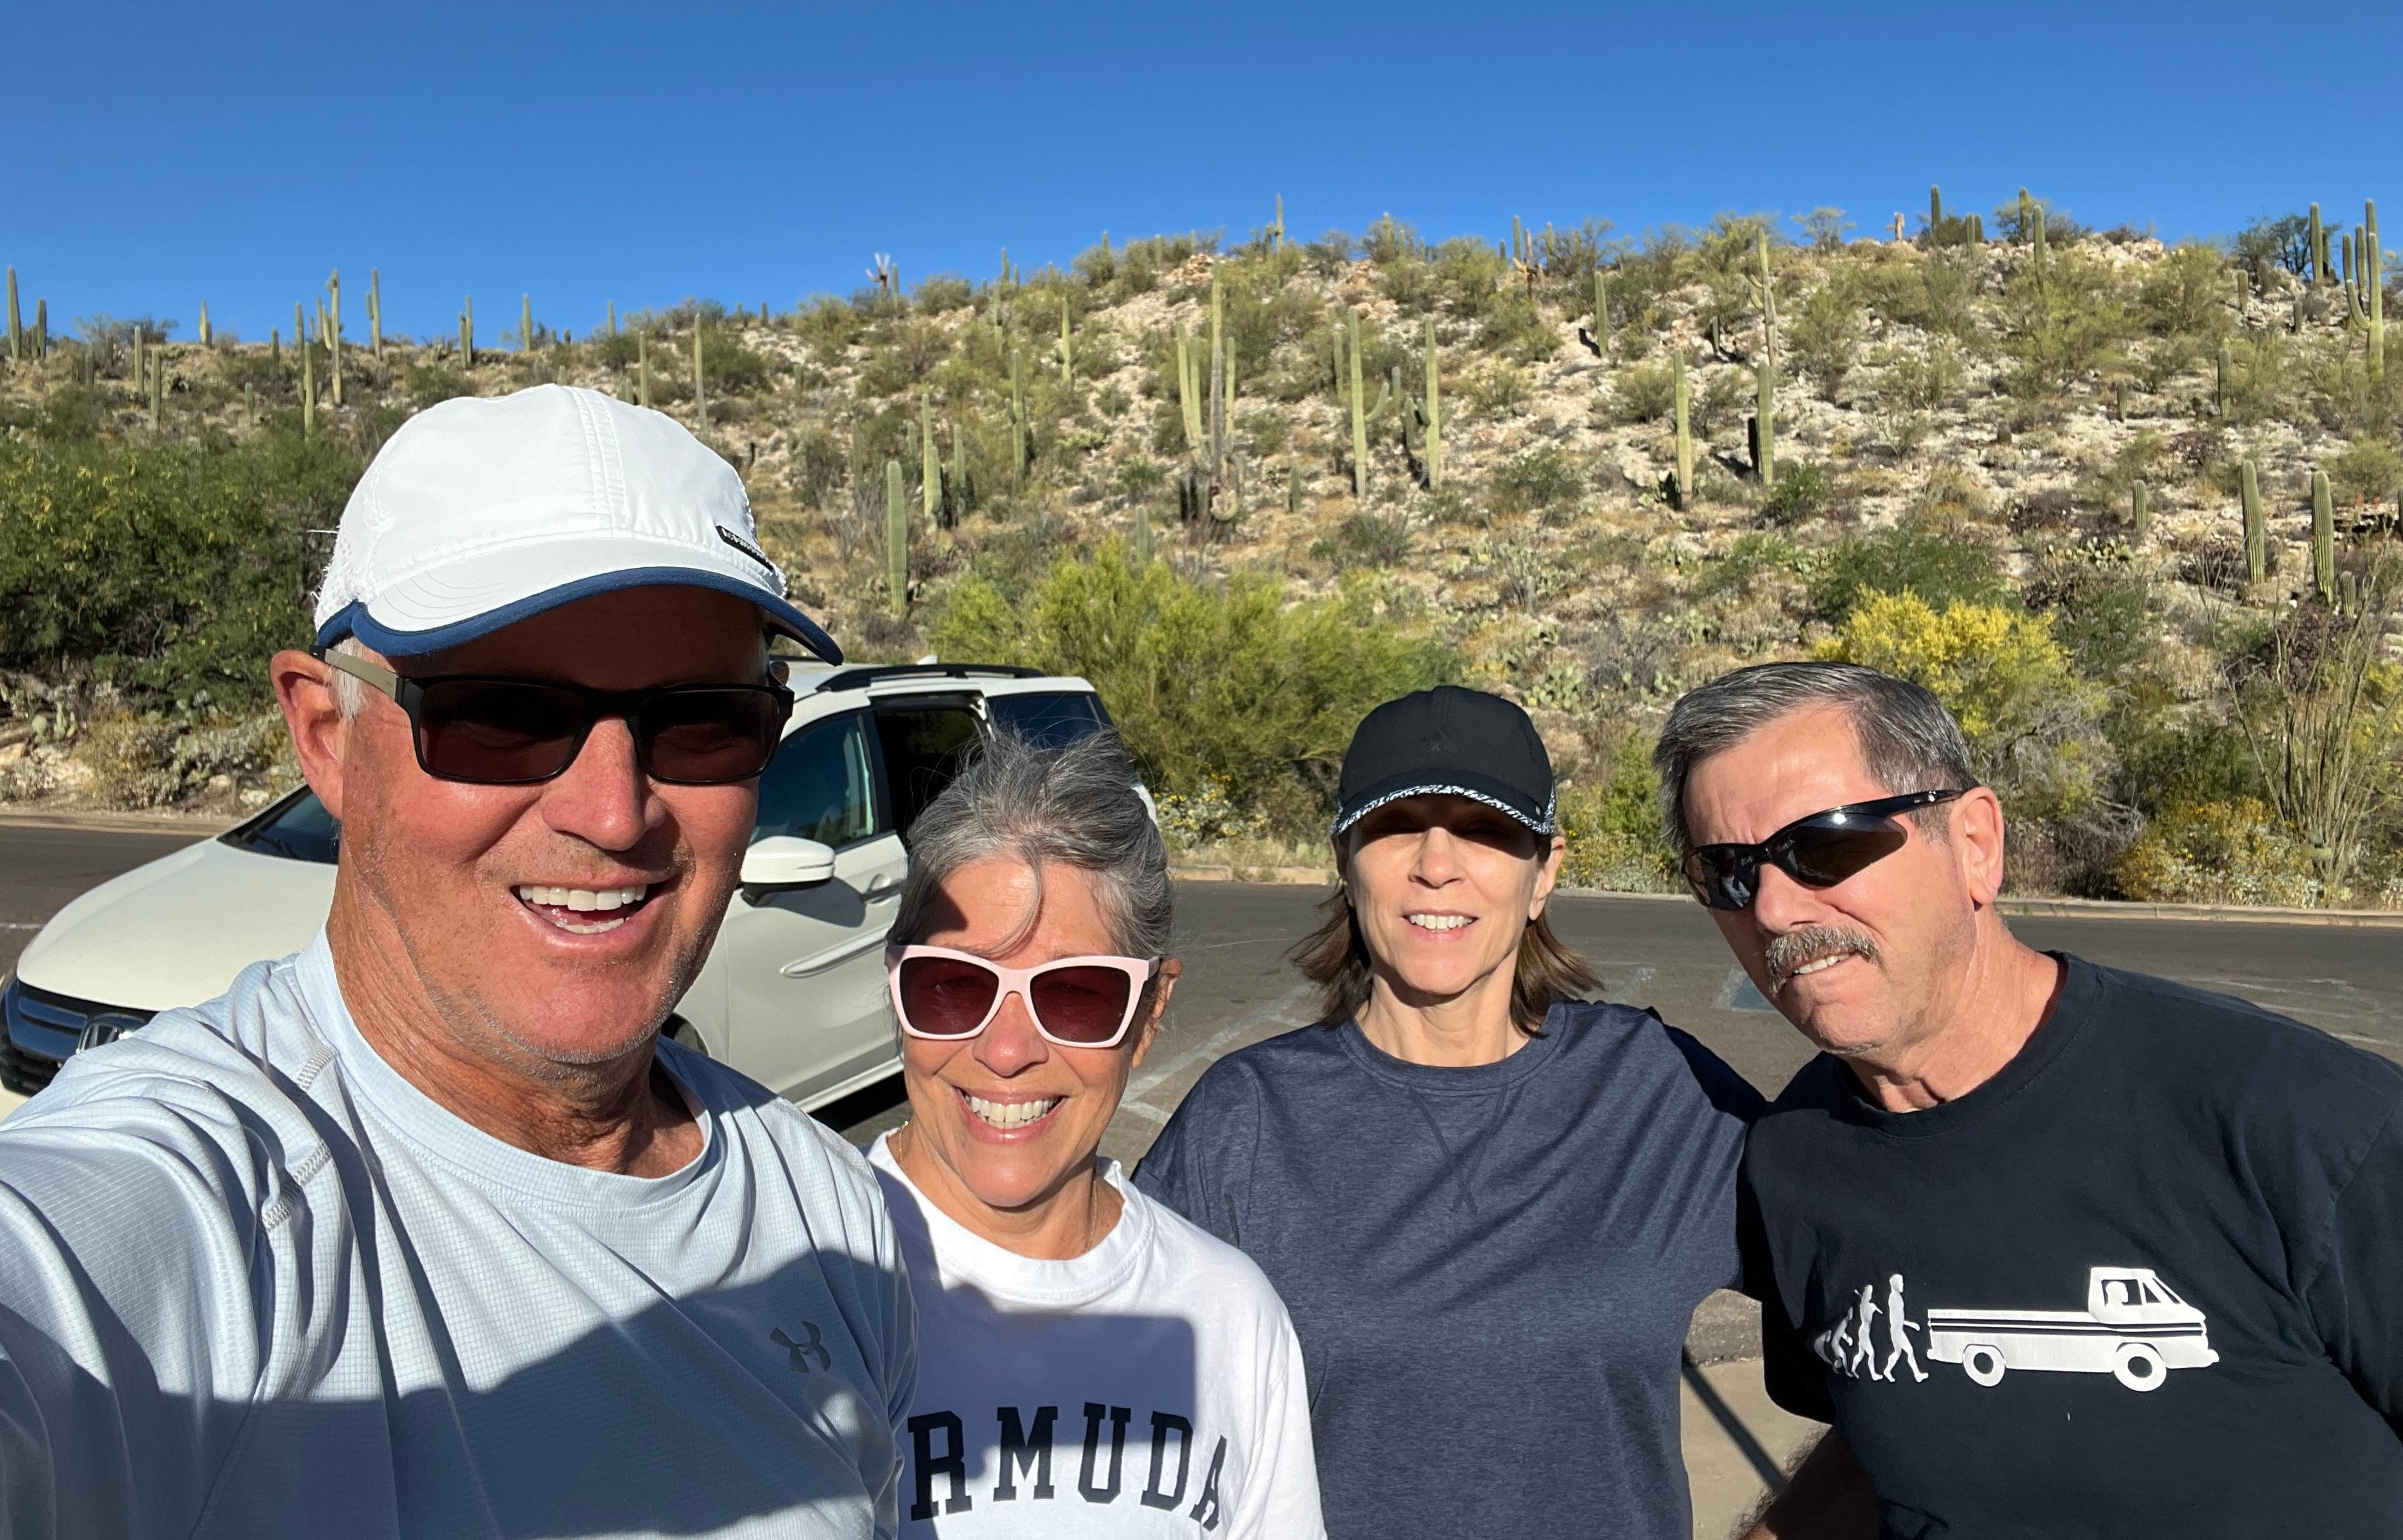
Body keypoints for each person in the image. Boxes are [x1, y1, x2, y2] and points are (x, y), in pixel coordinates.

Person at [0, 386, 914, 1538]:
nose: (614, 814)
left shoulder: (831, 1216)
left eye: (702, 720)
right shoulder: (214, 1212)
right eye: (500, 715)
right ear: (326, 737)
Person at [1654, 659, 2403, 1538]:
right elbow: (1885, 1433)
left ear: (1974, 844)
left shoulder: (2301, 1119)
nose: (1774, 909)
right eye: (1728, 872)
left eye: (1825, 845)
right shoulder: (1793, 1158)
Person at [1134, 685, 1760, 1539]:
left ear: (1544, 872)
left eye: (1485, 829)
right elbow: (1122, 1417)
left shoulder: (1657, 1090)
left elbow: (1883, 1282)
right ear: (1344, 860)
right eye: (1398, 827)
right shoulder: (1245, 1121)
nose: (1437, 864)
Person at [864, 731, 1325, 1538]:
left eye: (1077, 995)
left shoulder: (1229, 1316)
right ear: (898, 988)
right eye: (954, 986)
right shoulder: (797, 1282)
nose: (1007, 1051)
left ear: (1149, 1014)